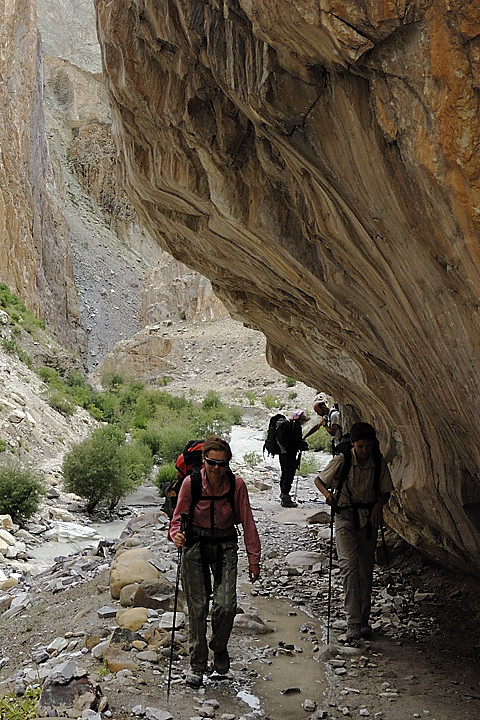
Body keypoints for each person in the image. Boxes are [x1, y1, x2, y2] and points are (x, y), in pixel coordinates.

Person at [168, 435, 261, 687]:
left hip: (225, 545)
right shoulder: (191, 483)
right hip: (195, 545)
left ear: (228, 463)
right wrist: (176, 535)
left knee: (226, 606)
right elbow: (177, 518)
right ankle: (197, 666)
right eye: (212, 463)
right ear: (204, 460)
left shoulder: (236, 484)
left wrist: (254, 559)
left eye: (222, 464)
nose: (217, 469)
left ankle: (219, 647)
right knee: (197, 609)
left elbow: (248, 520)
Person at [314, 422, 393, 644]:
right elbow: (319, 480)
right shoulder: (343, 460)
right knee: (348, 567)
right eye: (360, 447)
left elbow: (385, 492)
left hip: (368, 519)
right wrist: (329, 497)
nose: (364, 451)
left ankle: (364, 620)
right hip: (345, 516)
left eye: (367, 446)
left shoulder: (378, 462)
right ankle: (353, 622)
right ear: (353, 444)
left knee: (365, 570)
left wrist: (379, 504)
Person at [277, 410, 308, 508]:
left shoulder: (287, 426)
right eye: (303, 420)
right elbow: (297, 442)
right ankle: (286, 498)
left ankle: (283, 494)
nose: (303, 422)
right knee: (289, 474)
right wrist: (304, 445)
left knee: (284, 473)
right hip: (290, 454)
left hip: (282, 453)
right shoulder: (297, 427)